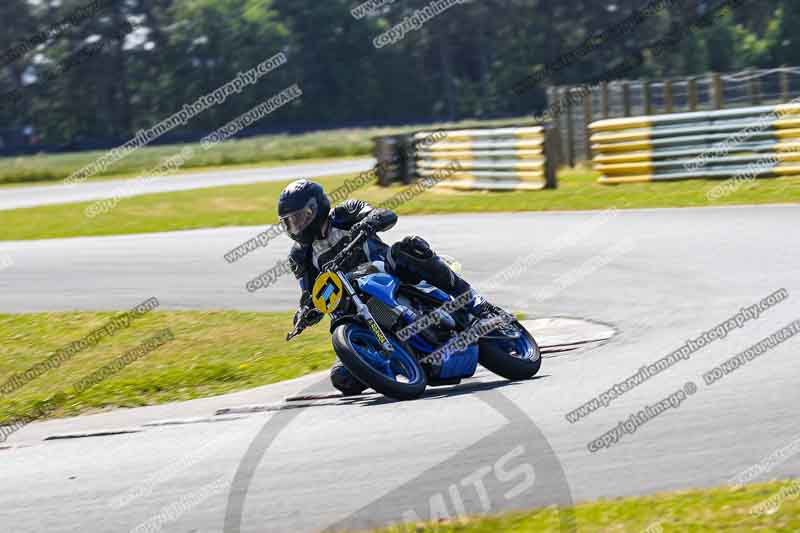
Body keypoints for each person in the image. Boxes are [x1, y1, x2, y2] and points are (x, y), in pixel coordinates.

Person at [278, 179, 501, 396]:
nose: (296, 226)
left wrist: (371, 220)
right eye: (290, 222)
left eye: (299, 218)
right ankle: (407, 361)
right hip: (355, 308)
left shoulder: (345, 212)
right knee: (343, 378)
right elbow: (310, 294)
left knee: (407, 247)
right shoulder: (300, 255)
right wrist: (305, 313)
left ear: (315, 208)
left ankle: (474, 301)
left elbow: (385, 214)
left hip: (388, 274)